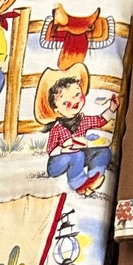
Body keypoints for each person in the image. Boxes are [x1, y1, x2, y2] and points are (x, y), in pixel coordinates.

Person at [37, 67, 115, 195]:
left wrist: (111, 109)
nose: (74, 102)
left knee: (103, 150)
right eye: (66, 102)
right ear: (57, 110)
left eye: (77, 95)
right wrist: (63, 149)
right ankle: (79, 184)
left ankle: (94, 176)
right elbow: (50, 149)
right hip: (57, 163)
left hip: (79, 157)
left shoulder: (83, 120)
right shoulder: (57, 128)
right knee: (77, 155)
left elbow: (100, 120)